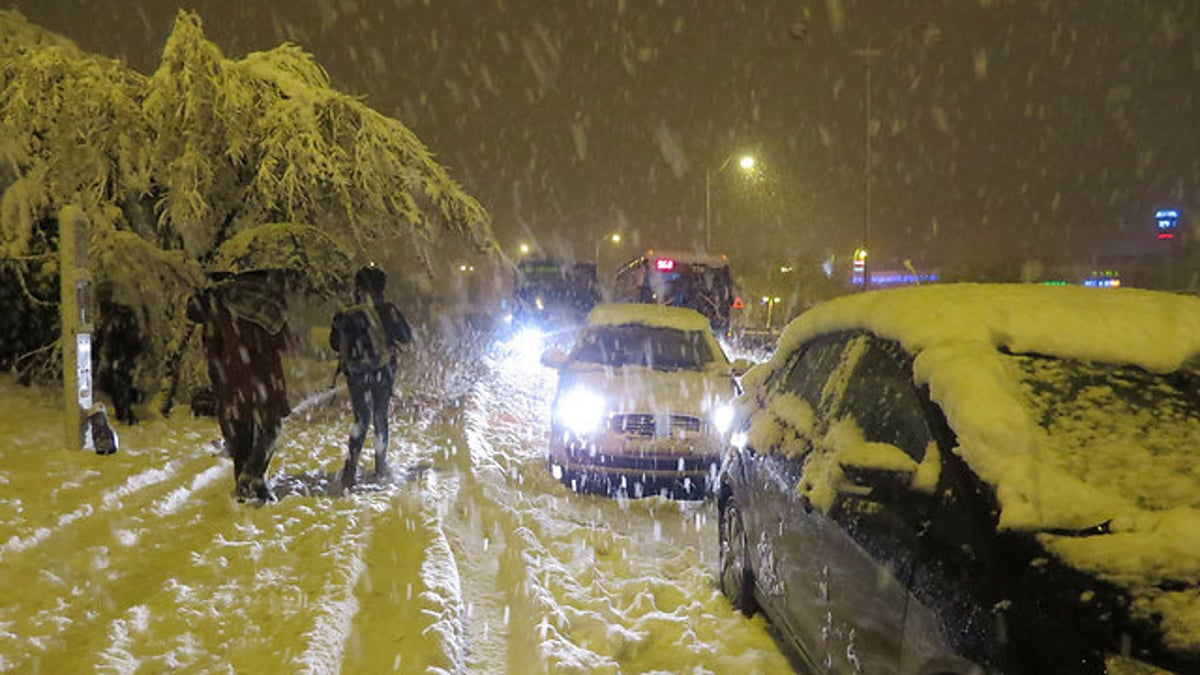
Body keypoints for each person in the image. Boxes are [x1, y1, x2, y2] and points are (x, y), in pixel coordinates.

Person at [187, 271, 292, 503]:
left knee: (241, 437)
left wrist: (221, 382)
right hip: (265, 377)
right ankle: (254, 475)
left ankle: (245, 486)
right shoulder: (268, 308)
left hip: (234, 381)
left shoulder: (220, 313)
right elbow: (285, 343)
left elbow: (212, 352)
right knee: (271, 429)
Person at [330, 265, 412, 486]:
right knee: (380, 417)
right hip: (383, 371)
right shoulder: (387, 310)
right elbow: (406, 336)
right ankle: (380, 465)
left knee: (361, 418)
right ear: (381, 287)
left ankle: (351, 467)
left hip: (356, 374)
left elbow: (335, 345)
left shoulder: (346, 312)